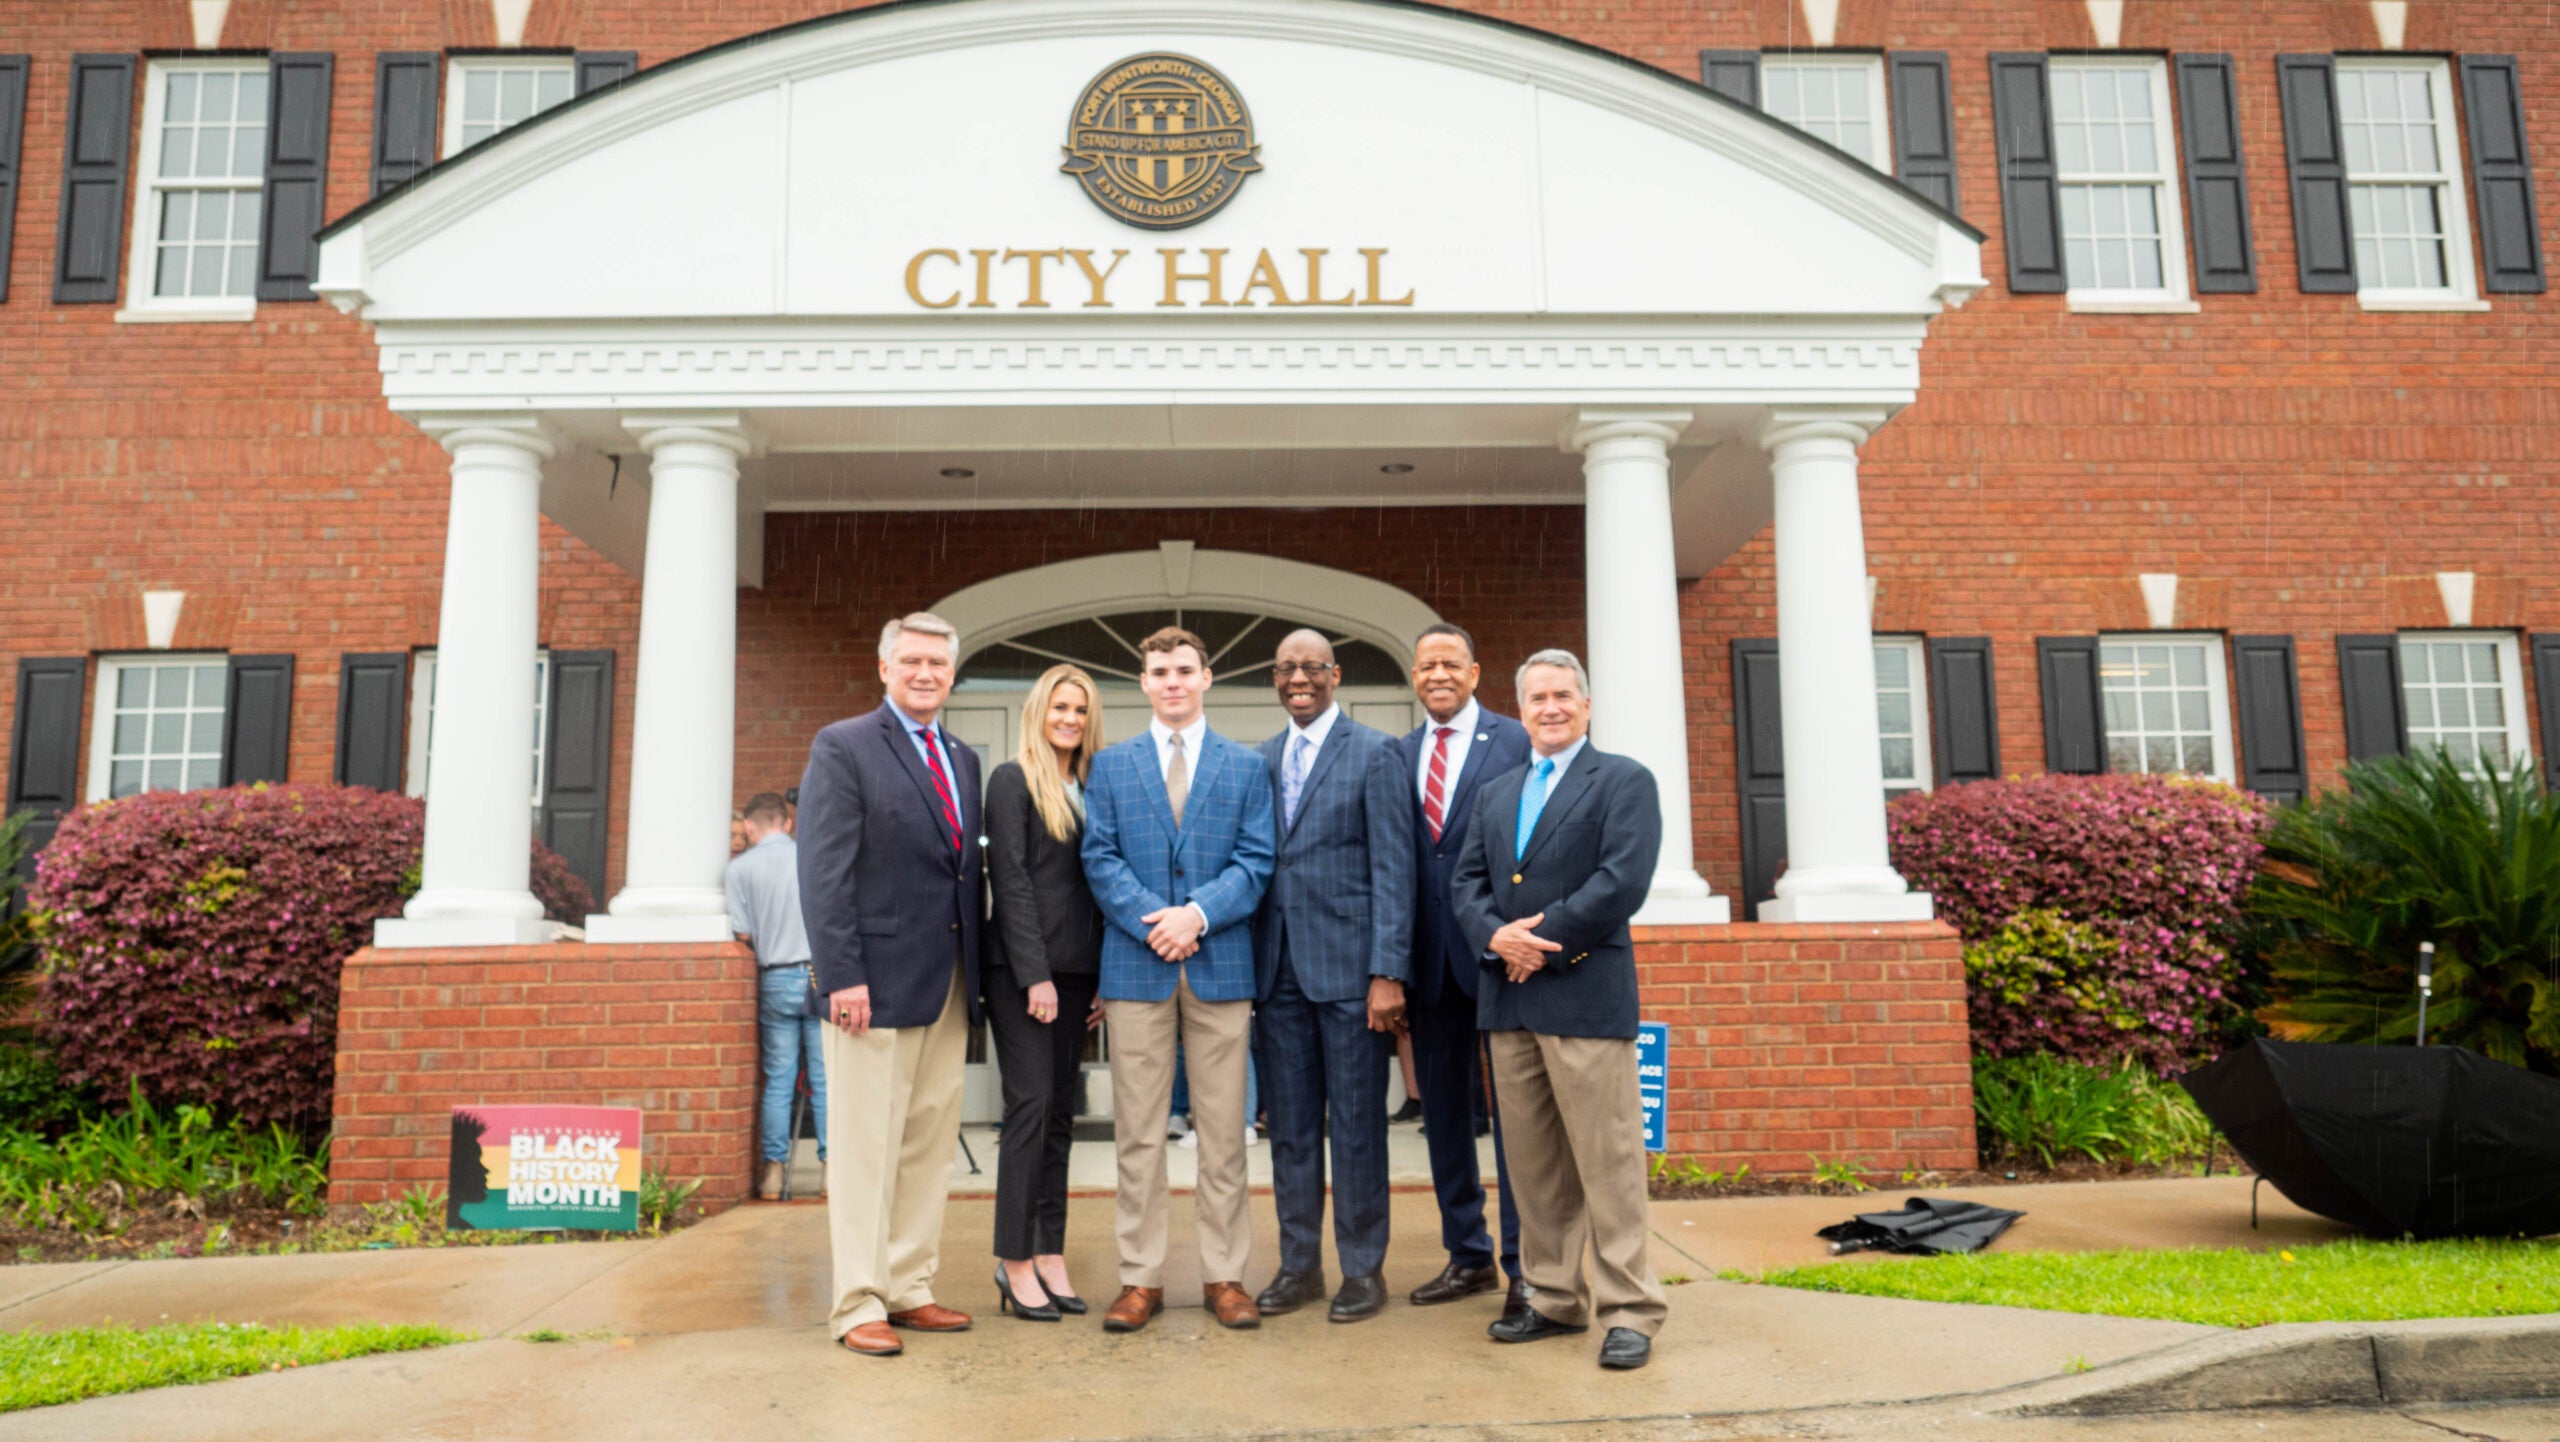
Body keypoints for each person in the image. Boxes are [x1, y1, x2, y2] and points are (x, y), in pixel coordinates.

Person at [1451, 648, 1670, 1372]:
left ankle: (1630, 1310)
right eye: (1537, 697)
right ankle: (1550, 1298)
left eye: (1562, 696)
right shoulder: (1497, 790)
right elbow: (1469, 882)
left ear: (1586, 704)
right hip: (1508, 1002)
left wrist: (1537, 942)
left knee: (1607, 1164)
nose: (1550, 707)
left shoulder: (1624, 781)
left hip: (1582, 995)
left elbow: (1621, 882)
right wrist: (1493, 935)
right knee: (1534, 1167)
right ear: (1521, 708)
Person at [796, 612, 985, 1359]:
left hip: (946, 984)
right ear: (884, 668)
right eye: (912, 661)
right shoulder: (843, 747)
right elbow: (823, 872)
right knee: (864, 1150)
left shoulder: (962, 758)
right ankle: (857, 1302)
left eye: (938, 663)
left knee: (926, 1147)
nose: (926, 674)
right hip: (869, 989)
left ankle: (909, 1287)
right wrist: (842, 975)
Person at [1080, 626, 1275, 1334]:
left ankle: (1225, 1276)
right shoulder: (1110, 766)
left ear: (1207, 677)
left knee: (1224, 1134)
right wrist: (1152, 921)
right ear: (1143, 682)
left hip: (1221, 966)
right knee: (1137, 1135)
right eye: (1159, 670)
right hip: (1136, 967)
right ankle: (1141, 1278)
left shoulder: (1247, 767)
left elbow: (1256, 862)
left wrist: (1195, 915)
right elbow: (1099, 859)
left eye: (1184, 670)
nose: (1172, 681)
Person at [1251, 629, 1415, 1323]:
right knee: (1289, 1128)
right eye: (1287, 669)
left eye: (1312, 668)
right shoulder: (1260, 759)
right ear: (1275, 678)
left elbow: (1393, 869)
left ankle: (1361, 1270)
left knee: (1354, 1127)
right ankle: (1298, 1268)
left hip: (1351, 975)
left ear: (1335, 675)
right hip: (1277, 971)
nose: (1299, 679)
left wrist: (1387, 972)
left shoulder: (1375, 753)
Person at [1398, 623, 1532, 1316]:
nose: (1439, 675)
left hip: (1500, 957)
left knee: (1516, 1120)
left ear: (1476, 673)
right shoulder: (1401, 751)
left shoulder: (1515, 740)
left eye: (1451, 664)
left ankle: (1524, 1267)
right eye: (1427, 666)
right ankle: (1468, 1256)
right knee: (1444, 1115)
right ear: (1415, 677)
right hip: (1429, 962)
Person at [983, 664, 1106, 1323]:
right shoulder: (1012, 780)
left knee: (1061, 1114)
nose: (1070, 719)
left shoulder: (1089, 783)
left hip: (1081, 975)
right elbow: (1012, 881)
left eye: (1080, 710)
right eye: (1060, 706)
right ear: (1040, 710)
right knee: (1029, 1108)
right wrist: (1036, 977)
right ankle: (1014, 1258)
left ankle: (1050, 1251)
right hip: (1025, 976)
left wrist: (1103, 977)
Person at [728, 790, 824, 1204]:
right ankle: (831, 1172)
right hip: (820, 976)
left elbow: (743, 933)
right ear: (787, 823)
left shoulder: (739, 870)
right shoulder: (811, 858)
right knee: (824, 1080)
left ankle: (772, 1174)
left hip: (775, 977)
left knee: (779, 1081)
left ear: (749, 827)